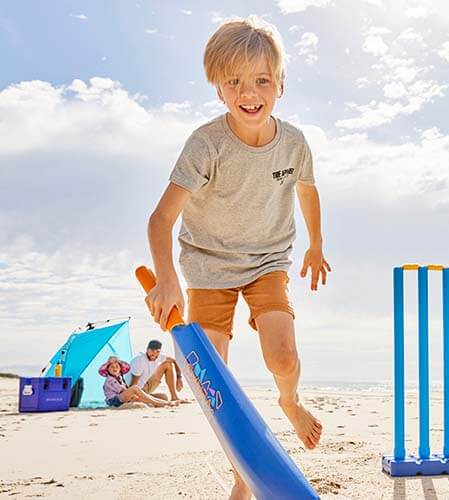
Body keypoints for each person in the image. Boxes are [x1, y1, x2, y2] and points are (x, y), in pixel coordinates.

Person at [144, 16, 328, 500]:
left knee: (282, 353)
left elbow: (306, 191)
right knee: (215, 387)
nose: (250, 92)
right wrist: (167, 279)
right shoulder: (206, 145)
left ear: (281, 85)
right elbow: (160, 220)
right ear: (219, 90)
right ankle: (243, 475)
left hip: (268, 259)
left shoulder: (294, 143)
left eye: (262, 80)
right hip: (208, 267)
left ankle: (289, 401)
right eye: (235, 82)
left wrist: (316, 244)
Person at [100, 356, 175, 408]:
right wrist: (135, 396)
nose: (115, 368)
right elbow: (122, 390)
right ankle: (158, 403)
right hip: (114, 400)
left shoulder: (119, 378)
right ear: (108, 370)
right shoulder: (110, 380)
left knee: (163, 396)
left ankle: (162, 402)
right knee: (135, 389)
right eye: (112, 367)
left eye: (117, 366)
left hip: (120, 398)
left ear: (120, 369)